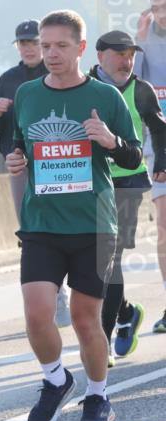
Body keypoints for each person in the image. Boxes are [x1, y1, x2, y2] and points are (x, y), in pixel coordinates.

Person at [6, 10, 142, 421]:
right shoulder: (27, 94)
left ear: (82, 49)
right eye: (45, 46)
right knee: (37, 314)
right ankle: (55, 379)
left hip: (95, 224)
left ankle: (98, 396)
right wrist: (16, 160)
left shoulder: (106, 96)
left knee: (86, 319)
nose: (51, 54)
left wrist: (110, 140)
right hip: (42, 224)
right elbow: (20, 148)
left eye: (61, 46)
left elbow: (133, 155)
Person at [0, 20, 71, 327]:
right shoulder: (8, 79)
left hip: (58, 164)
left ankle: (63, 290)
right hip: (20, 168)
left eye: (33, 43)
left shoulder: (58, 75)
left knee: (64, 229)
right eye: (23, 43)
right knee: (30, 232)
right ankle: (47, 297)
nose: (28, 48)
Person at [88, 30, 166, 365]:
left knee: (109, 260)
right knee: (87, 263)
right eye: (120, 53)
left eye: (131, 53)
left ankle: (101, 343)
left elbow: (160, 128)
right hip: (87, 182)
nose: (127, 60)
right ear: (100, 54)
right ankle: (127, 312)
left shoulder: (141, 90)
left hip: (128, 183)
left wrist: (161, 160)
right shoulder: (84, 87)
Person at [134, 0, 166, 333]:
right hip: (160, 145)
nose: (160, 14)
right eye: (155, 7)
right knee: (164, 228)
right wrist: (140, 41)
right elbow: (132, 86)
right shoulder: (145, 40)